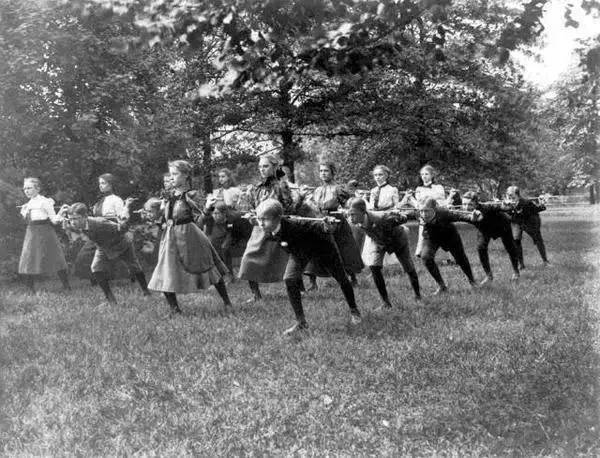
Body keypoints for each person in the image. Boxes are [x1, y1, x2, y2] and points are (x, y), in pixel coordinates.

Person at [255, 199, 362, 335]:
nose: (261, 223)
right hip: (299, 252)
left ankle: (354, 310)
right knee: (290, 279)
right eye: (259, 219)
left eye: (264, 219)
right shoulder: (269, 227)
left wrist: (326, 225)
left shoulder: (297, 223)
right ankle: (301, 322)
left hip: (322, 248)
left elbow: (317, 225)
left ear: (278, 218)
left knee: (341, 278)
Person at [147, 160, 233, 315]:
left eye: (175, 174)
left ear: (186, 175)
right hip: (170, 237)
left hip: (190, 236)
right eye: (170, 174)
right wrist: (156, 216)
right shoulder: (168, 195)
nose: (171, 178)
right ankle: (175, 310)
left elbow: (201, 218)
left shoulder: (191, 195)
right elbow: (164, 217)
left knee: (208, 267)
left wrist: (207, 208)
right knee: (164, 269)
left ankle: (227, 303)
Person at [61, 200, 149, 304]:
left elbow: (121, 229)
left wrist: (126, 216)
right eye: (71, 219)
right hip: (103, 247)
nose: (73, 222)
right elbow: (73, 229)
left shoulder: (100, 223)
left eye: (76, 218)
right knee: (96, 268)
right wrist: (65, 223)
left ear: (85, 216)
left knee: (133, 266)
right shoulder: (75, 225)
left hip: (121, 243)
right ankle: (111, 300)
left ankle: (146, 292)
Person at [238, 154, 296, 302]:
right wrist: (251, 214)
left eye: (265, 166)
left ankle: (297, 290)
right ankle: (256, 295)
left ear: (274, 167)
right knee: (248, 259)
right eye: (260, 167)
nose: (262, 169)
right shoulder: (257, 187)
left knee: (289, 259)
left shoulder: (282, 186)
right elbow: (251, 205)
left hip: (278, 228)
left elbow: (289, 207)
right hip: (259, 228)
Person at [347, 198, 420, 309]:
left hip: (398, 240)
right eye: (349, 214)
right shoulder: (357, 220)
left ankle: (418, 295)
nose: (351, 218)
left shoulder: (380, 217)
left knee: (408, 267)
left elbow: (403, 218)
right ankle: (386, 303)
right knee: (374, 267)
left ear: (363, 212)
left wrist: (399, 216)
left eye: (353, 214)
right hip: (379, 241)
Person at [305, 161, 363, 289]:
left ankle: (353, 278)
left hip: (337, 221)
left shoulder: (338, 188)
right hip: (320, 220)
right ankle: (312, 283)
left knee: (345, 248)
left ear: (332, 172)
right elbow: (314, 207)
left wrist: (350, 198)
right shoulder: (317, 190)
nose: (323, 173)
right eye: (321, 171)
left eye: (326, 171)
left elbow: (347, 203)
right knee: (314, 248)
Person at [417, 197, 481, 294]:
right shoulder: (417, 214)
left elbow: (460, 216)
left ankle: (472, 281)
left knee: (461, 258)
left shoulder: (444, 213)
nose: (424, 214)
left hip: (450, 236)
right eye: (421, 211)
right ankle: (442, 286)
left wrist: (472, 218)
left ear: (434, 209)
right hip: (431, 237)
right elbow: (403, 217)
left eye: (427, 211)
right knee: (426, 257)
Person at [18, 177, 70, 292]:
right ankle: (30, 290)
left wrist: (61, 211)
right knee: (28, 259)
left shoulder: (45, 202)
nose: (26, 191)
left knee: (55, 257)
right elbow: (27, 221)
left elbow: (54, 220)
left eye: (29, 188)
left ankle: (66, 286)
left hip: (45, 232)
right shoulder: (27, 204)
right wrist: (25, 211)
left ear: (37, 188)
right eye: (25, 188)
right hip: (31, 233)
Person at [74, 173, 125, 283]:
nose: (100, 186)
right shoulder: (99, 201)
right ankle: (94, 279)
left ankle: (108, 278)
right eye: (99, 184)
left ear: (111, 185)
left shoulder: (117, 200)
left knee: (107, 255)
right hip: (97, 232)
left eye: (103, 183)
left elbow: (121, 219)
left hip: (111, 233)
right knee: (84, 255)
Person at [460, 191, 520, 284]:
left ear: (476, 203)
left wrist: (505, 206)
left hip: (502, 226)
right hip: (484, 230)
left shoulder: (486, 207)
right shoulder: (463, 212)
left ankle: (516, 272)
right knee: (480, 248)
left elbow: (500, 206)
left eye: (470, 204)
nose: (466, 207)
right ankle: (489, 276)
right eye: (464, 204)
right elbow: (453, 216)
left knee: (510, 248)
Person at [399, 164, 447, 257]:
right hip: (424, 215)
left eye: (426, 174)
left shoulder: (439, 187)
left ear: (432, 175)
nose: (424, 176)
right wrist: (410, 197)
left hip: (436, 214)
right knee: (422, 233)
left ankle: (445, 257)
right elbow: (419, 205)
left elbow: (439, 201)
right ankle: (420, 252)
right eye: (422, 174)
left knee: (441, 235)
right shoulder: (418, 189)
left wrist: (427, 199)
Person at [202, 201, 252, 282]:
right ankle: (215, 278)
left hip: (228, 236)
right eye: (213, 213)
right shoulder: (209, 218)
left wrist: (248, 214)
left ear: (224, 213)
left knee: (225, 249)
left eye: (217, 213)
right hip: (212, 238)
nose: (214, 215)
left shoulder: (231, 217)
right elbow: (203, 219)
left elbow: (230, 232)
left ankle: (229, 275)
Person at [504, 185, 549, 268]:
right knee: (516, 241)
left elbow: (538, 208)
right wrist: (507, 207)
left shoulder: (526, 202)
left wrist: (542, 203)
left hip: (529, 223)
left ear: (517, 194)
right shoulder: (507, 203)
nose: (508, 196)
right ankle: (521, 264)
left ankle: (545, 261)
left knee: (538, 240)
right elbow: (506, 213)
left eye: (510, 194)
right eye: (508, 194)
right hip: (516, 223)